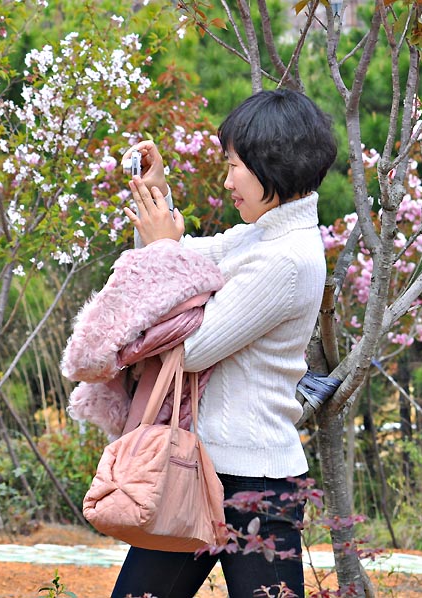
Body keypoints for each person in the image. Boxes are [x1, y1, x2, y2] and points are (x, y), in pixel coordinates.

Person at [109, 89, 338, 598]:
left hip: (254, 481)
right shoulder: (257, 236)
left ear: (272, 165)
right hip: (196, 469)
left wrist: (164, 247)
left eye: (236, 166)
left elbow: (191, 349)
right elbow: (183, 254)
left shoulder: (287, 257)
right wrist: (160, 201)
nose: (228, 180)